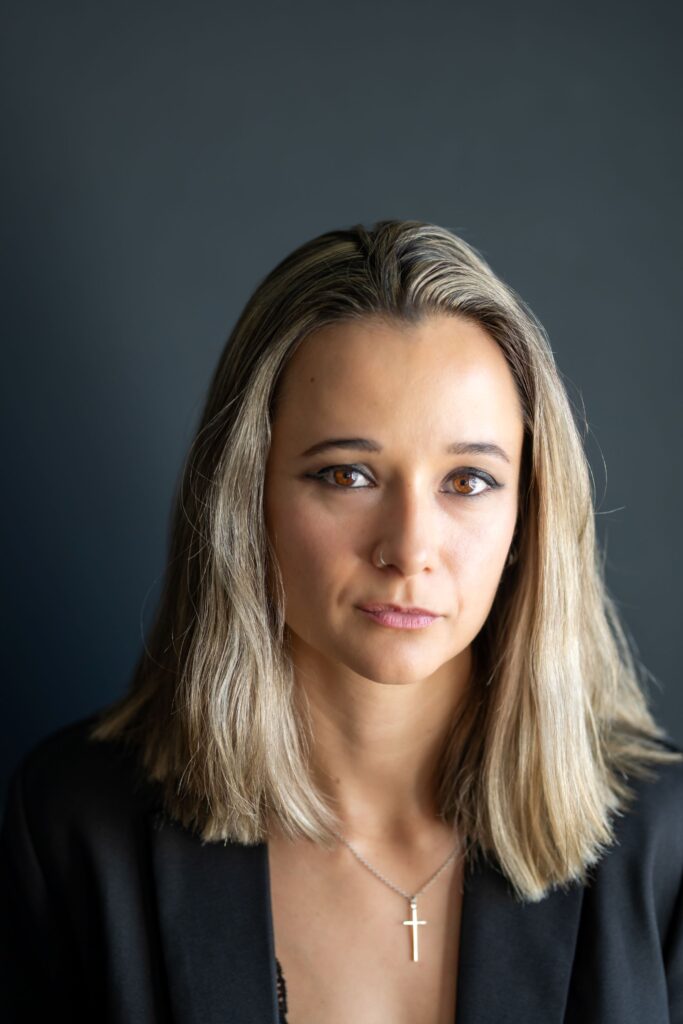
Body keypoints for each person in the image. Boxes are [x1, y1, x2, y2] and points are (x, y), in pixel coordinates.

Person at [1, 220, 682, 1024]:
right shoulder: (76, 828)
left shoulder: (664, 844)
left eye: (466, 481)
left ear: (528, 515)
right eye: (348, 474)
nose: (408, 549)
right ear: (246, 495)